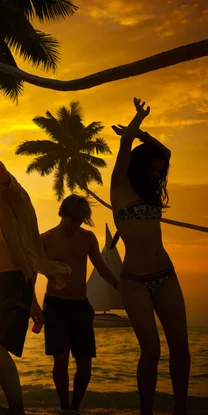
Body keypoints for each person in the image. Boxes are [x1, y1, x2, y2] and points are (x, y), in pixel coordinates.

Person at [0, 133, 71, 415]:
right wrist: (33, 300)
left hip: (11, 282)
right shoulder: (2, 208)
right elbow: (24, 253)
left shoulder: (14, 195)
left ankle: (16, 409)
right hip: (4, 283)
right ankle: (15, 407)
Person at [110, 98, 189, 415]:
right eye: (154, 172)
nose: (159, 177)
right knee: (152, 351)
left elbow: (166, 154)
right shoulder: (120, 189)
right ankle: (146, 411)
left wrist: (146, 136)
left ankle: (181, 408)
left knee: (180, 348)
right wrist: (137, 122)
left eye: (160, 173)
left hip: (165, 274)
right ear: (141, 168)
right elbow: (125, 142)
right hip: (134, 282)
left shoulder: (149, 193)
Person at [40, 194, 120, 411]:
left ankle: (75, 406)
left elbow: (101, 267)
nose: (75, 226)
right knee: (61, 362)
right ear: (61, 215)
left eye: (79, 222)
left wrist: (117, 284)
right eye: (71, 221)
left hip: (80, 305)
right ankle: (65, 406)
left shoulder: (87, 238)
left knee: (85, 364)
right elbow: (30, 270)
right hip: (55, 305)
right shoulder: (46, 239)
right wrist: (33, 306)